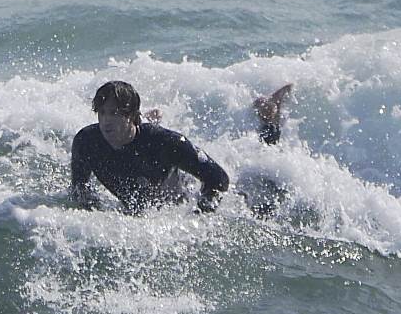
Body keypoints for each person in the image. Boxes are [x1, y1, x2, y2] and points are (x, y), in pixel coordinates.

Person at [69, 80, 293, 215]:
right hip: (144, 201)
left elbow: (219, 179)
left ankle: (269, 118)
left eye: (115, 114)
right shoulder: (87, 142)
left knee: (255, 201)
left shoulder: (166, 143)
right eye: (102, 113)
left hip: (180, 198)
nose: (106, 121)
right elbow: (80, 189)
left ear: (131, 116)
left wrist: (199, 214)